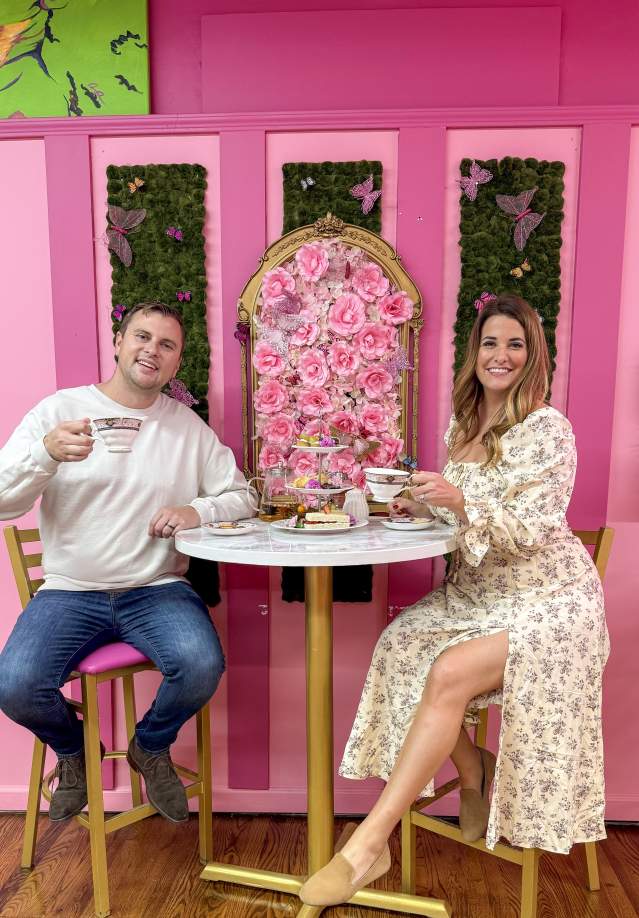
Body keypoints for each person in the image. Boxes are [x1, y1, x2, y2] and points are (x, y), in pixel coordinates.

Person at [300, 294, 609, 907]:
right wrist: (420, 506)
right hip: (477, 594)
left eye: (515, 344)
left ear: (533, 355)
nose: (501, 355)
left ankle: (368, 844)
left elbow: (535, 525)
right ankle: (473, 769)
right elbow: (460, 522)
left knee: (446, 672)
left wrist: (460, 501)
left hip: (549, 600)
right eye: (490, 343)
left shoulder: (547, 428)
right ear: (476, 352)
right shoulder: (463, 425)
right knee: (399, 645)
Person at [0, 302, 255, 824]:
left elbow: (242, 496)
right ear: (118, 342)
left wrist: (196, 509)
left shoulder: (186, 428)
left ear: (176, 363)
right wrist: (44, 454)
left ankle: (150, 746)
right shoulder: (59, 412)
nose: (151, 351)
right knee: (16, 685)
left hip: (156, 587)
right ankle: (75, 753)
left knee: (201, 664)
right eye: (142, 337)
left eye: (166, 345)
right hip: (71, 589)